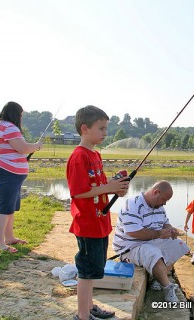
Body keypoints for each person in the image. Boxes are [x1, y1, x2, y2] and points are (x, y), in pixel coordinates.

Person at [66, 105, 130, 320]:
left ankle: (90, 306)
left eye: (105, 129)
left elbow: (99, 186)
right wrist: (109, 188)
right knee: (86, 271)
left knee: (95, 269)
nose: (105, 133)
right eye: (101, 129)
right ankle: (82, 315)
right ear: (85, 128)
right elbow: (78, 192)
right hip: (87, 224)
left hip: (100, 222)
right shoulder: (78, 157)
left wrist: (116, 187)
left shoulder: (95, 154)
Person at [112, 180, 190, 303]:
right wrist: (158, 234)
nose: (165, 203)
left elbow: (165, 223)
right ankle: (167, 288)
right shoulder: (132, 203)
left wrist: (170, 230)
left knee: (179, 245)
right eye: (164, 199)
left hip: (150, 242)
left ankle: (157, 277)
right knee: (153, 253)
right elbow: (134, 232)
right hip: (130, 246)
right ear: (156, 192)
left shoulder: (159, 206)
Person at [0, 101, 43, 253]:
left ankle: (9, 238)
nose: (21, 118)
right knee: (4, 208)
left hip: (9, 173)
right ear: (15, 114)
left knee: (10, 208)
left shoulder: (1, 126)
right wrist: (36, 146)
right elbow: (23, 148)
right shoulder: (8, 127)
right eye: (20, 115)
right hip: (7, 172)